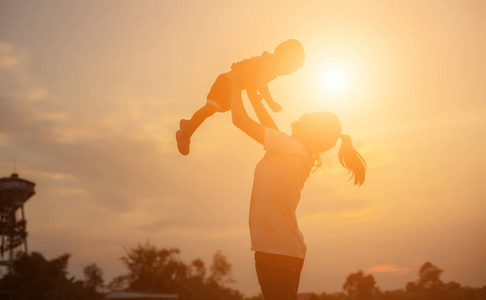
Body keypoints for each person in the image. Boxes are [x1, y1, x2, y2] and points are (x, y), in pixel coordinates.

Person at [229, 76, 367, 300]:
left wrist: (235, 80)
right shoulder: (298, 152)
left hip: (275, 253)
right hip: (284, 251)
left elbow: (239, 120)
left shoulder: (289, 147)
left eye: (308, 117)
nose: (302, 115)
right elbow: (268, 128)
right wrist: (254, 98)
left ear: (311, 130)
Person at [176, 39, 305, 155]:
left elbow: (255, 84)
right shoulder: (268, 65)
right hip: (226, 83)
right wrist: (271, 102)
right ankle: (185, 134)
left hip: (232, 85)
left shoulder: (268, 66)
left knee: (210, 110)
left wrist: (255, 93)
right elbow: (261, 84)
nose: (290, 73)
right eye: (291, 68)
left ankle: (189, 123)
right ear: (283, 57)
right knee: (209, 109)